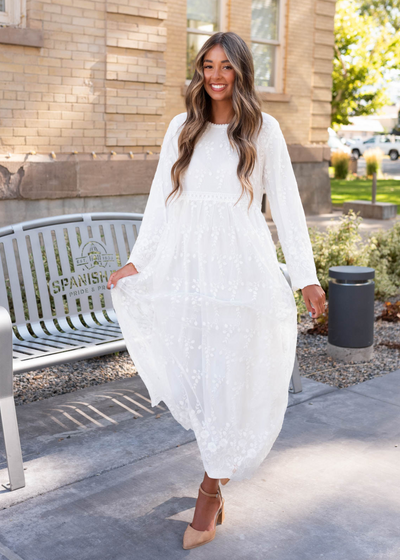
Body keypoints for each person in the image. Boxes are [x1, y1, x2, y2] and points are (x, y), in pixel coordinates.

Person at [107, 31, 326, 550]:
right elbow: (160, 202)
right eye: (207, 65)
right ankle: (216, 473)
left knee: (233, 381)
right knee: (207, 384)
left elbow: (288, 209)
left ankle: (209, 490)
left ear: (242, 72)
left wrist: (306, 276)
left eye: (226, 66)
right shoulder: (181, 128)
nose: (215, 76)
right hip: (190, 275)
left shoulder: (263, 130)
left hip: (244, 274)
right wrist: (139, 261)